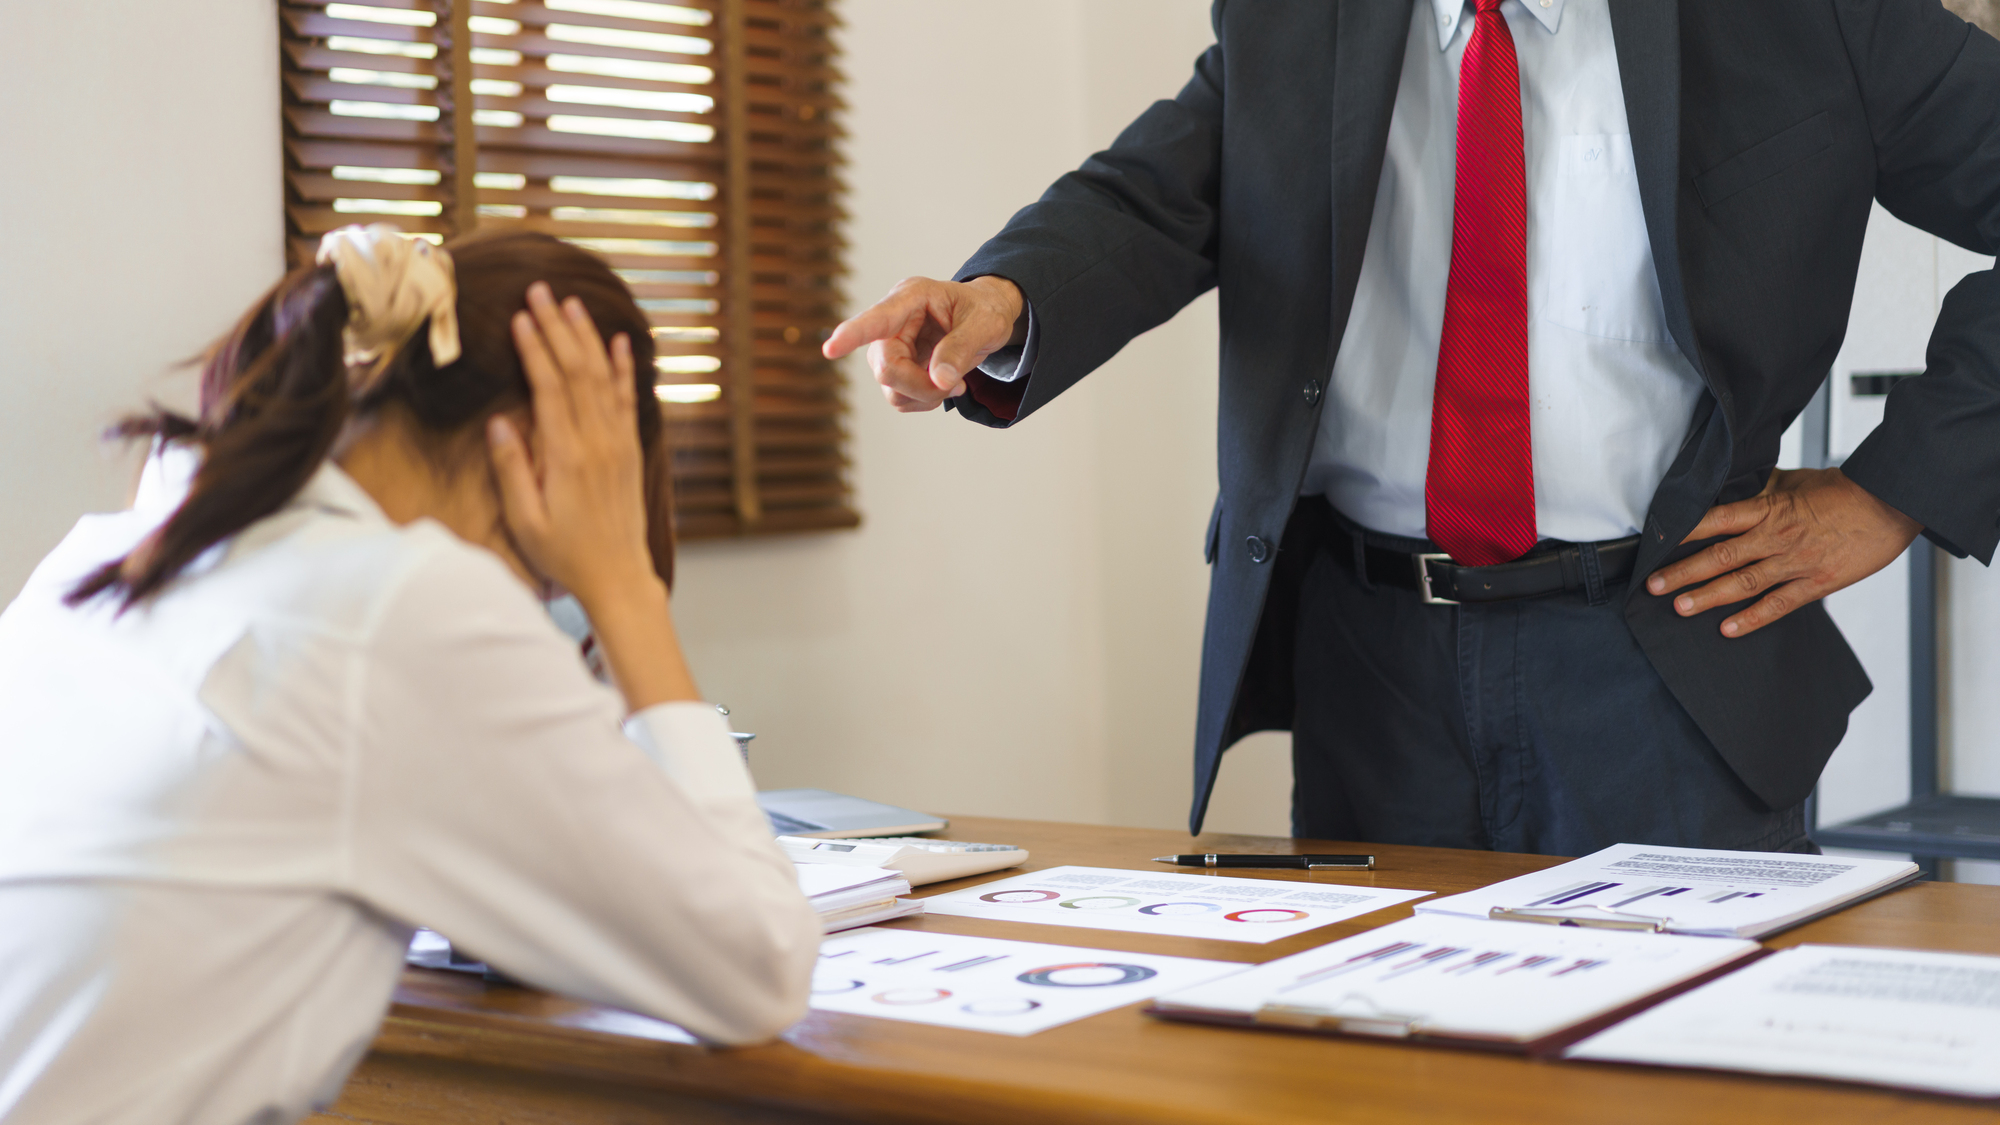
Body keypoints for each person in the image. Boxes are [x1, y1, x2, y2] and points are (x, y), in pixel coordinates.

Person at [825, 0, 2000, 854]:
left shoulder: (1812, 19)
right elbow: (1146, 200)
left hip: (1667, 656)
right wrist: (1003, 300)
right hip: (1369, 664)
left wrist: (1893, 489)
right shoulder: (1293, 23)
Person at [0, 226, 821, 1124]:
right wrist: (623, 588)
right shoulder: (398, 604)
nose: (544, 595)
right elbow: (758, 966)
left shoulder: (106, 555)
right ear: (545, 449)